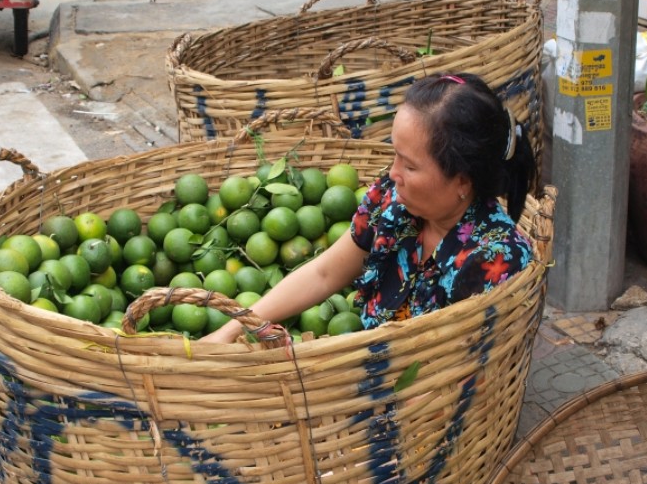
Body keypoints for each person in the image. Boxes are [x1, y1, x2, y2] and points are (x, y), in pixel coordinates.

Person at [201, 72, 536, 344]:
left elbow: (452, 372)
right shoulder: (393, 202)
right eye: (395, 155)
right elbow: (324, 273)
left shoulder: (495, 261)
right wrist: (231, 330)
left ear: (462, 181)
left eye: (409, 165)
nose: (393, 173)